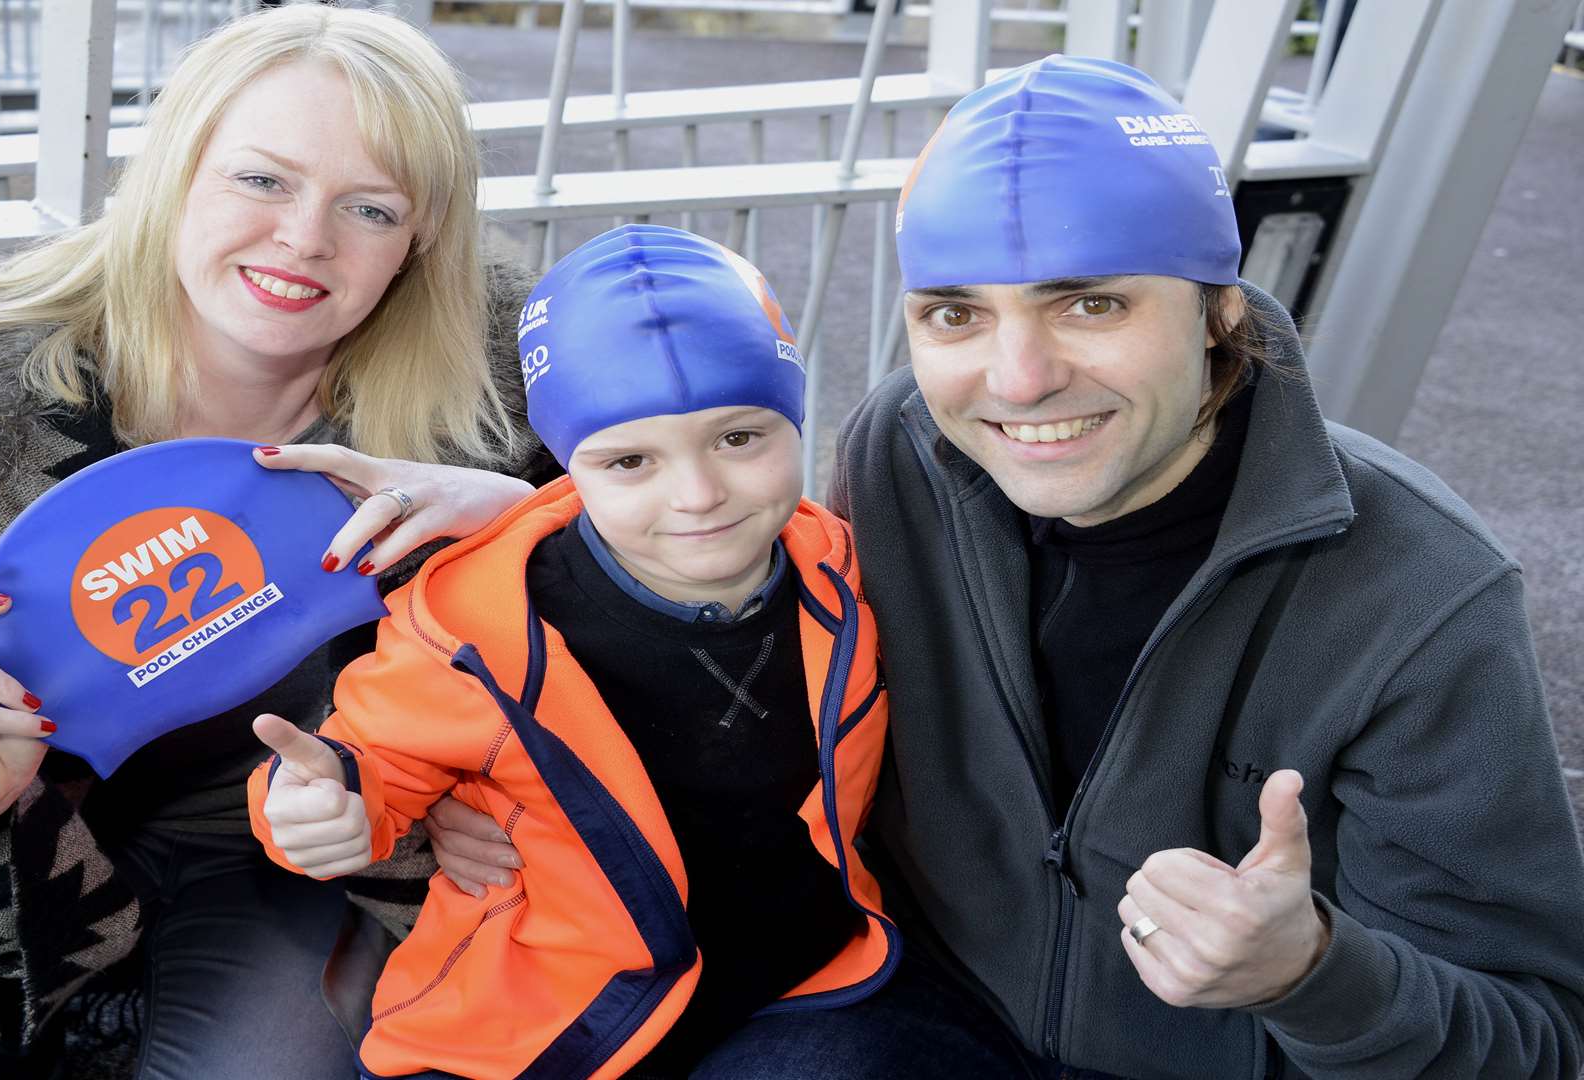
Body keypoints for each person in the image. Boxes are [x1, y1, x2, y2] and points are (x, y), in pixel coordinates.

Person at [431, 55, 1584, 1079]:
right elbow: (760, 640)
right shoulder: (904, 445)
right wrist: (542, 530)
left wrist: (1311, 973)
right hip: (907, 1006)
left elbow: (1537, 1034)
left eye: (1090, 302)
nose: (1018, 378)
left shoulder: (1421, 592)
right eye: (954, 315)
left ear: (1219, 309)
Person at [0, 6, 556, 1079]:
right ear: (175, 171)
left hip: (279, 856)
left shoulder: (492, 419)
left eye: (369, 207)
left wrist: (516, 527)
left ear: (418, 244)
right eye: (262, 180)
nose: (305, 239)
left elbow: (685, 632)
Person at [248, 225, 907, 1080]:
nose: (699, 494)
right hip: (544, 1026)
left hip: (799, 986)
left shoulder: (842, 570)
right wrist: (317, 802)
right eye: (630, 460)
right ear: (566, 464)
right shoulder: (474, 628)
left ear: (795, 420)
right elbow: (365, 761)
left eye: (740, 438)